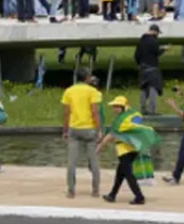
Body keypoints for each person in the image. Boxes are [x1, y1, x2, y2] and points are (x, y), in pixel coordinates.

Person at [96, 96, 150, 206]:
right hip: (135, 147)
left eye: (116, 106)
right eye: (113, 107)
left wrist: (100, 146)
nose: (114, 109)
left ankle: (139, 196)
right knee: (120, 172)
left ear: (123, 107)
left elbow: (111, 135)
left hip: (124, 149)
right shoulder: (135, 115)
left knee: (128, 173)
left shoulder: (120, 120)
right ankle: (112, 195)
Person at [60, 68, 102, 198]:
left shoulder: (69, 91)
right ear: (87, 78)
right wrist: (99, 129)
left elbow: (67, 112)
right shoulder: (92, 91)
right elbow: (94, 112)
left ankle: (71, 190)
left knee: (72, 162)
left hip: (74, 128)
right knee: (94, 161)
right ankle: (95, 190)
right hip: (89, 128)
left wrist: (65, 130)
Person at [134, 25, 165, 115]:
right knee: (153, 88)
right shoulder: (154, 41)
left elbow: (136, 55)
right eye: (158, 33)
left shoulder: (141, 41)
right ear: (154, 31)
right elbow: (156, 53)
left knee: (143, 88)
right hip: (152, 67)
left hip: (143, 68)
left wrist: (139, 64)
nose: (158, 35)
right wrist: (163, 49)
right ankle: (152, 110)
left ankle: (143, 109)